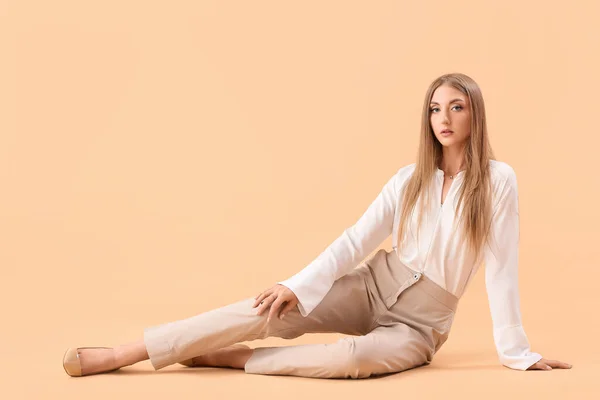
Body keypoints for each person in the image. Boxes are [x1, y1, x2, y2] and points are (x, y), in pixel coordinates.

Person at [62, 72, 572, 379]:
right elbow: (356, 240)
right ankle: (125, 352)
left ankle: (233, 360)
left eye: (456, 107)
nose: (444, 118)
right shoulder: (408, 180)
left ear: (474, 114)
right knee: (270, 311)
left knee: (350, 360)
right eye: (435, 108)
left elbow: (502, 266)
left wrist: (518, 354)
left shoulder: (498, 181)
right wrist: (298, 286)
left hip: (422, 324)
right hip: (375, 284)